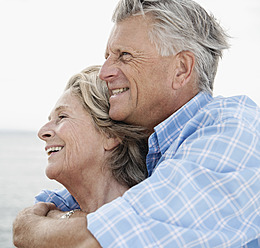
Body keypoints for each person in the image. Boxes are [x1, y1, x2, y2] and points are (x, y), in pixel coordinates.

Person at [13, 0, 260, 247]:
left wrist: (31, 227)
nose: (104, 72)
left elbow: (110, 238)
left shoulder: (233, 130)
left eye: (124, 56)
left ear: (181, 69)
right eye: (108, 57)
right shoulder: (160, 153)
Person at [35, 65, 148, 214]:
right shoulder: (52, 205)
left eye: (62, 117)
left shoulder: (148, 214)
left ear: (110, 135)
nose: (42, 132)